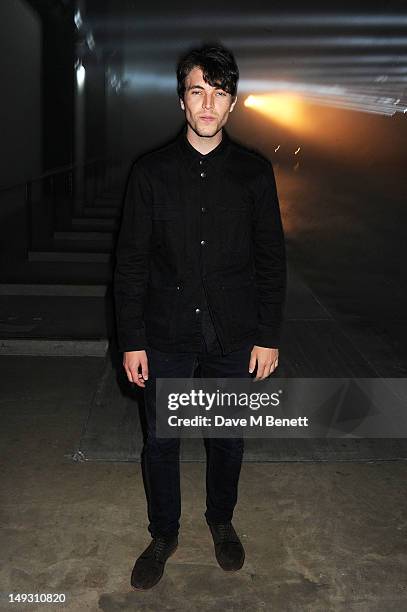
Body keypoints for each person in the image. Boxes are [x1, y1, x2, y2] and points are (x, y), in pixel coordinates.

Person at [113, 43, 287, 590]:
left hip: (234, 334)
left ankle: (221, 520)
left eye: (218, 93)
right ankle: (164, 533)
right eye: (197, 91)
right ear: (182, 101)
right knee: (162, 442)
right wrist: (132, 340)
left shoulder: (256, 175)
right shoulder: (151, 174)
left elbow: (271, 262)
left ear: (232, 103)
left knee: (227, 437)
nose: (207, 104)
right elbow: (131, 265)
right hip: (166, 332)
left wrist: (269, 335)